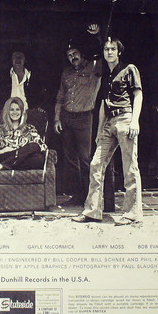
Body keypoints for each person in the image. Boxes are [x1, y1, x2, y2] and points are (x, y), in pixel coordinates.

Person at [72, 37, 143, 225]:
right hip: (109, 123)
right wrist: (99, 130)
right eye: (106, 49)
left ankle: (132, 213)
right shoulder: (105, 76)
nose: (109, 52)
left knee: (130, 167)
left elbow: (138, 94)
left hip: (125, 119)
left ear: (119, 51)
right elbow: (103, 104)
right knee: (96, 164)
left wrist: (135, 121)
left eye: (112, 49)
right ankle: (92, 211)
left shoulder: (129, 69)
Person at [54, 24, 102, 204]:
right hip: (67, 118)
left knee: (85, 158)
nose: (72, 57)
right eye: (69, 55)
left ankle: (90, 196)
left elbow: (104, 55)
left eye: (74, 53)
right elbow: (60, 97)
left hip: (84, 119)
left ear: (81, 53)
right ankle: (77, 195)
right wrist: (57, 119)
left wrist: (97, 36)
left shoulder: (93, 68)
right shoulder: (66, 72)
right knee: (70, 159)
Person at [0, 97, 47, 171]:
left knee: (38, 157)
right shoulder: (2, 129)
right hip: (7, 156)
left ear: (22, 111)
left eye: (17, 109)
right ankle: (8, 164)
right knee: (34, 148)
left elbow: (41, 146)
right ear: (7, 112)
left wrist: (21, 151)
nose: (15, 112)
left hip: (20, 160)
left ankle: (3, 166)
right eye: (11, 110)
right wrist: (1, 151)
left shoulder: (29, 129)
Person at [0, 46, 46, 114]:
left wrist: (39, 108)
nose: (18, 59)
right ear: (11, 59)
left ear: (25, 59)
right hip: (7, 115)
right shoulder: (2, 77)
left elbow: (39, 99)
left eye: (20, 57)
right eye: (15, 57)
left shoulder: (33, 78)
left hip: (28, 115)